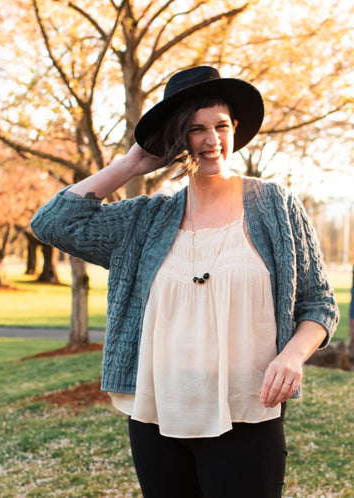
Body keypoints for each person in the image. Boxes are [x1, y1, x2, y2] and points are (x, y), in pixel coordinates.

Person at [31, 66, 339, 497]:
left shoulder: (275, 206)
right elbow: (53, 223)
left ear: (235, 129)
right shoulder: (145, 219)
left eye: (221, 126)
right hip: (158, 416)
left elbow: (318, 303)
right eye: (196, 129)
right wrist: (134, 161)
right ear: (179, 139)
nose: (212, 140)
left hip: (247, 412)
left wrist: (293, 355)